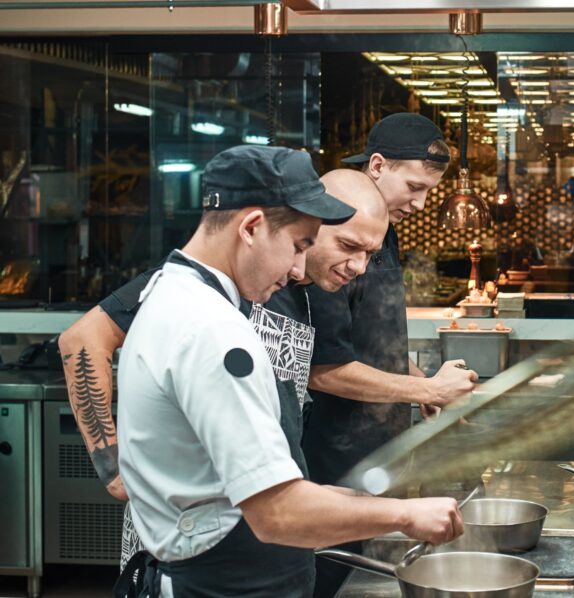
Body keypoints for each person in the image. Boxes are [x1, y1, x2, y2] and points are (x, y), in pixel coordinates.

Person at [67, 146, 464, 597]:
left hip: (242, 531)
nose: (299, 268)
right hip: (205, 553)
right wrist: (114, 467)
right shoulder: (205, 317)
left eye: (369, 256)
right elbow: (81, 339)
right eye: (304, 245)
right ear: (252, 228)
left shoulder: (235, 294)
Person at [302, 112, 480, 598]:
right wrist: (425, 388)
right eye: (415, 186)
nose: (420, 203)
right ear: (377, 166)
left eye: (429, 191)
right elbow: (326, 368)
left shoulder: (386, 232)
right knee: (336, 580)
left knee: (374, 574)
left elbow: (373, 340)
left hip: (383, 448)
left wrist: (425, 387)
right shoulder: (332, 232)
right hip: (336, 457)